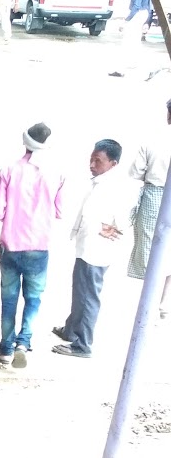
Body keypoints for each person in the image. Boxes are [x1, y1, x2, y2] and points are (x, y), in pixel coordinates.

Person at [0, 123, 65, 367]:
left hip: (10, 245)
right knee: (33, 298)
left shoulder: (9, 169)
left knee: (9, 299)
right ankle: (24, 342)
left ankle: (6, 349)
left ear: (26, 142)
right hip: (38, 246)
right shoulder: (57, 173)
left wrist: (11, 216)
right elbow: (60, 210)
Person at [54, 139, 137, 359]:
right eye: (91, 159)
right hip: (87, 246)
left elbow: (123, 218)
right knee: (79, 290)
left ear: (113, 163)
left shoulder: (116, 186)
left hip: (96, 250)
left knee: (89, 296)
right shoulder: (100, 181)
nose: (91, 164)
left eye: (98, 161)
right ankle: (71, 330)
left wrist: (113, 228)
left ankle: (83, 344)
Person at [125, 99, 169, 284]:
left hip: (154, 195)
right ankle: (165, 303)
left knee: (148, 241)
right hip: (158, 193)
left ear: (168, 114)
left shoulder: (154, 141)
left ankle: (150, 288)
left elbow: (135, 173)